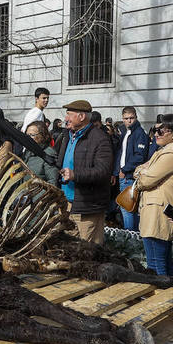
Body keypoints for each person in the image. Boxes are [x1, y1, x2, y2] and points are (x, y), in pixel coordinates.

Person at [132, 114, 173, 275]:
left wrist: (142, 174)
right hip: (155, 210)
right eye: (155, 130)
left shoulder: (172, 153)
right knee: (163, 262)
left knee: (156, 265)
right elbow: (138, 170)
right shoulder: (163, 151)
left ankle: (163, 298)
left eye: (161, 131)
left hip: (159, 211)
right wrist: (142, 172)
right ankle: (170, 296)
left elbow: (146, 181)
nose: (156, 134)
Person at [57, 100, 114, 244]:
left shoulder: (100, 139)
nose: (66, 119)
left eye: (69, 115)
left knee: (87, 253)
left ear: (81, 117)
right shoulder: (68, 136)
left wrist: (76, 174)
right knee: (69, 251)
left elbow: (103, 171)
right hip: (67, 204)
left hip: (87, 208)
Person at [115, 106, 149, 231]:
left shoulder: (139, 133)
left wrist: (124, 170)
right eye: (126, 118)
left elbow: (139, 157)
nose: (129, 121)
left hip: (129, 176)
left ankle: (130, 238)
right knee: (128, 209)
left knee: (128, 209)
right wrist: (115, 172)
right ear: (122, 119)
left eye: (131, 118)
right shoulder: (126, 132)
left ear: (136, 117)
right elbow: (121, 154)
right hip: (122, 175)